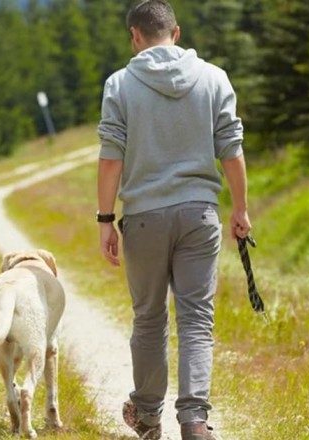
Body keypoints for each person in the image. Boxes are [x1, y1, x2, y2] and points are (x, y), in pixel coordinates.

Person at [95, 1, 251, 439]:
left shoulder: (120, 85)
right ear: (176, 33)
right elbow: (232, 150)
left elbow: (111, 160)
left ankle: (147, 416)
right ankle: (195, 420)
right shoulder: (214, 78)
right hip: (200, 214)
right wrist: (239, 209)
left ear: (135, 36)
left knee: (148, 318)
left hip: (143, 218)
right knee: (197, 318)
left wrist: (106, 219)